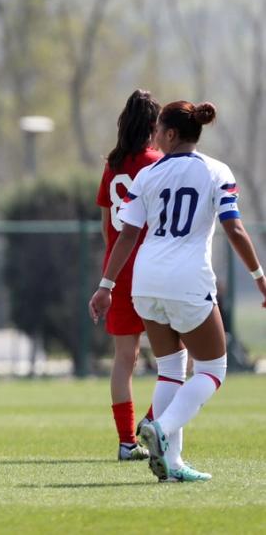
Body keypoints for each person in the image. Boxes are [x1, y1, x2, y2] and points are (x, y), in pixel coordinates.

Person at [90, 100, 266, 483]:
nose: (153, 136)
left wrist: (106, 285)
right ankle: (162, 426)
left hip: (144, 281)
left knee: (171, 370)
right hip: (187, 280)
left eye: (157, 131)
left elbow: (127, 235)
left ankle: (173, 464)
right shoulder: (216, 171)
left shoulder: (148, 176)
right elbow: (234, 230)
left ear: (171, 134)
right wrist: (259, 276)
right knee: (213, 369)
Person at [95, 90, 162, 461]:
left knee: (124, 360)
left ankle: (125, 442)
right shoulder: (158, 163)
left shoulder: (112, 166)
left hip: (117, 273)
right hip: (153, 269)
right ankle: (152, 421)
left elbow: (107, 228)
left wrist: (109, 273)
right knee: (176, 356)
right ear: (155, 126)